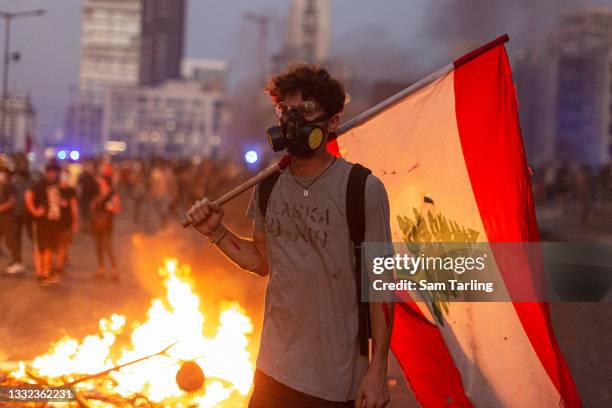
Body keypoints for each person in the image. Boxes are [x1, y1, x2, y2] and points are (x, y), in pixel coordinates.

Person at [186, 64, 394, 408]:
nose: (293, 121)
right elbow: (261, 261)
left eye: (307, 111)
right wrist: (217, 233)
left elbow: (381, 285)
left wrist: (377, 369)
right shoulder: (269, 184)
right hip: (272, 370)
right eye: (286, 111)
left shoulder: (362, 189)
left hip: (335, 379)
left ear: (331, 122)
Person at [25, 162, 63, 286]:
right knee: (40, 248)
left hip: (52, 221)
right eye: (50, 171)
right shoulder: (39, 184)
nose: (53, 174)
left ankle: (47, 272)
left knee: (49, 248)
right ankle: (40, 274)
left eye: (55, 171)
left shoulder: (55, 184)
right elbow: (28, 195)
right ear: (46, 172)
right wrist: (35, 211)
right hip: (40, 222)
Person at [90, 174, 121, 280]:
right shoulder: (97, 193)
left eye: (101, 181)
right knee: (98, 245)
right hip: (96, 222)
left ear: (106, 182)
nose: (99, 183)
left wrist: (112, 208)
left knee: (108, 246)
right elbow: (93, 206)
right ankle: (101, 268)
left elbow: (118, 209)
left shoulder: (112, 194)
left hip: (107, 223)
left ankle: (114, 270)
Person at [0, 164, 25, 274]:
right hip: (2, 217)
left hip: (9, 218)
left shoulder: (10, 186)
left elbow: (12, 201)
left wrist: (2, 208)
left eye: (2, 173)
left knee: (11, 240)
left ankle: (18, 262)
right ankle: (14, 261)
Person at [57, 168, 79, 275]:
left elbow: (74, 206)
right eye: (63, 176)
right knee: (55, 245)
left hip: (67, 221)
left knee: (63, 244)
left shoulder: (71, 191)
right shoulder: (54, 189)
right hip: (55, 221)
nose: (64, 179)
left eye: (66, 176)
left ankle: (59, 267)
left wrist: (75, 221)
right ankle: (58, 263)